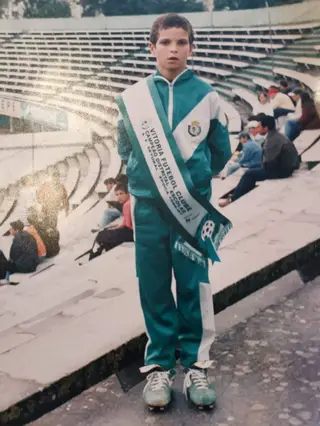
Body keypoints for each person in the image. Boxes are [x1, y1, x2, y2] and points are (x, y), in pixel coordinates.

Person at [117, 13, 232, 411]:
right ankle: (160, 367)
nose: (173, 50)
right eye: (165, 43)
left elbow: (220, 152)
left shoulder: (208, 95)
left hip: (191, 211)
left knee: (193, 285)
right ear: (152, 48)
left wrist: (195, 182)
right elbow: (126, 151)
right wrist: (141, 190)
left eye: (181, 42)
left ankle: (197, 365)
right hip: (149, 211)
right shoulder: (134, 99)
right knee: (152, 286)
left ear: (191, 48)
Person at [219, 115, 300, 207]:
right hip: (285, 167)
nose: (258, 129)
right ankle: (240, 193)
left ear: (266, 128)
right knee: (252, 171)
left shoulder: (271, 140)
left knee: (249, 174)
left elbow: (269, 163)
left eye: (259, 127)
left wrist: (259, 168)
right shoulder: (278, 136)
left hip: (282, 170)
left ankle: (234, 198)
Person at [93, 183, 134, 255]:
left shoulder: (127, 205)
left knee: (101, 235)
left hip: (133, 233)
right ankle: (104, 251)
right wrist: (119, 227)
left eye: (121, 193)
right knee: (107, 232)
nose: (119, 197)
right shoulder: (130, 201)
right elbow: (126, 222)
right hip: (134, 232)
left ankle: (96, 255)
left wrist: (118, 229)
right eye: (117, 194)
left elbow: (128, 225)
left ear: (127, 193)